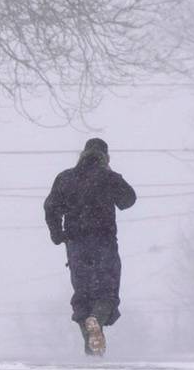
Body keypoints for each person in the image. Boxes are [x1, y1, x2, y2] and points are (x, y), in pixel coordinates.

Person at [43, 137, 137, 356]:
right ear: (105, 157)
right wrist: (109, 173)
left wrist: (58, 235)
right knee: (107, 293)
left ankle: (91, 346)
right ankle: (97, 321)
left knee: (83, 296)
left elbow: (50, 208)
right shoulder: (108, 177)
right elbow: (129, 200)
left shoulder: (66, 178)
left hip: (76, 245)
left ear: (82, 154)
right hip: (104, 244)